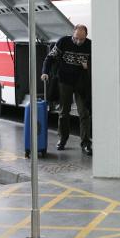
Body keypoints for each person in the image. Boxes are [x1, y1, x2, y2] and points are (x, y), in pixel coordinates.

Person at [41, 24, 92, 155]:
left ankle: (86, 143)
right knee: (64, 112)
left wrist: (88, 66)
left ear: (86, 36)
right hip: (65, 81)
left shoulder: (90, 45)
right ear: (72, 34)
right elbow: (50, 58)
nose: (79, 42)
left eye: (82, 39)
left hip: (81, 83)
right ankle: (62, 140)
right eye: (76, 38)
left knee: (84, 113)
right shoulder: (63, 41)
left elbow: (97, 64)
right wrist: (45, 72)